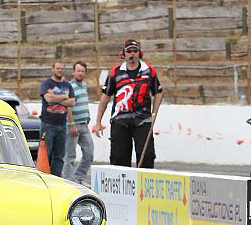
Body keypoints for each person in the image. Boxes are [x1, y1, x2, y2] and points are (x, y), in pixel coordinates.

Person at [93, 39, 163, 168]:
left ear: (139, 53)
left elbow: (158, 92)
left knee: (146, 156)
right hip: (120, 120)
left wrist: (154, 113)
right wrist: (98, 122)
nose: (132, 54)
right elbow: (105, 98)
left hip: (143, 120)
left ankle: (144, 180)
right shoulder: (115, 73)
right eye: (129, 51)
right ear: (123, 54)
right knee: (119, 157)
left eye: (135, 51)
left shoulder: (149, 71)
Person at [39, 61, 76, 177]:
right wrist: (64, 97)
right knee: (46, 154)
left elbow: (72, 102)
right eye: (58, 68)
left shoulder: (68, 86)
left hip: (62, 125)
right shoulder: (46, 84)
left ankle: (56, 178)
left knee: (59, 156)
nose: (60, 70)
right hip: (47, 124)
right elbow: (48, 100)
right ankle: (44, 177)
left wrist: (55, 97)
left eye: (62, 69)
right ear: (53, 69)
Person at [62, 61, 93, 185]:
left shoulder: (84, 85)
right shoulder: (69, 86)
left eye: (82, 71)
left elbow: (84, 102)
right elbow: (67, 106)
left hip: (84, 125)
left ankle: (79, 177)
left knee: (89, 154)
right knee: (70, 156)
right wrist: (71, 124)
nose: (80, 73)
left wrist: (88, 116)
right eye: (78, 71)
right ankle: (69, 181)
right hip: (72, 125)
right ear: (73, 72)